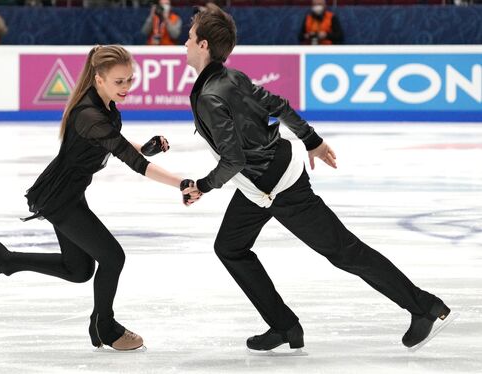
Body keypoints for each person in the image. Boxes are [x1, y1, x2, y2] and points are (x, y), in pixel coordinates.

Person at [184, 4, 452, 353]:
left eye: (190, 39)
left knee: (343, 250)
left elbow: (232, 159)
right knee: (230, 247)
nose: (185, 45)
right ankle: (284, 327)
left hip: (276, 186)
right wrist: (312, 140)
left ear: (204, 46)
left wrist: (202, 186)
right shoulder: (231, 78)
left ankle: (423, 306)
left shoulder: (210, 94)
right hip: (260, 183)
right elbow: (277, 105)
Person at [0, 45, 200, 352]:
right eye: (119, 81)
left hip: (68, 194)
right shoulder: (89, 114)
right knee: (113, 257)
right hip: (61, 199)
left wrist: (147, 146)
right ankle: (105, 327)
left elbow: (118, 144)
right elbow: (131, 160)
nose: (126, 87)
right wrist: (182, 182)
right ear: (99, 79)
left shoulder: (103, 106)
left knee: (79, 269)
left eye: (129, 80)